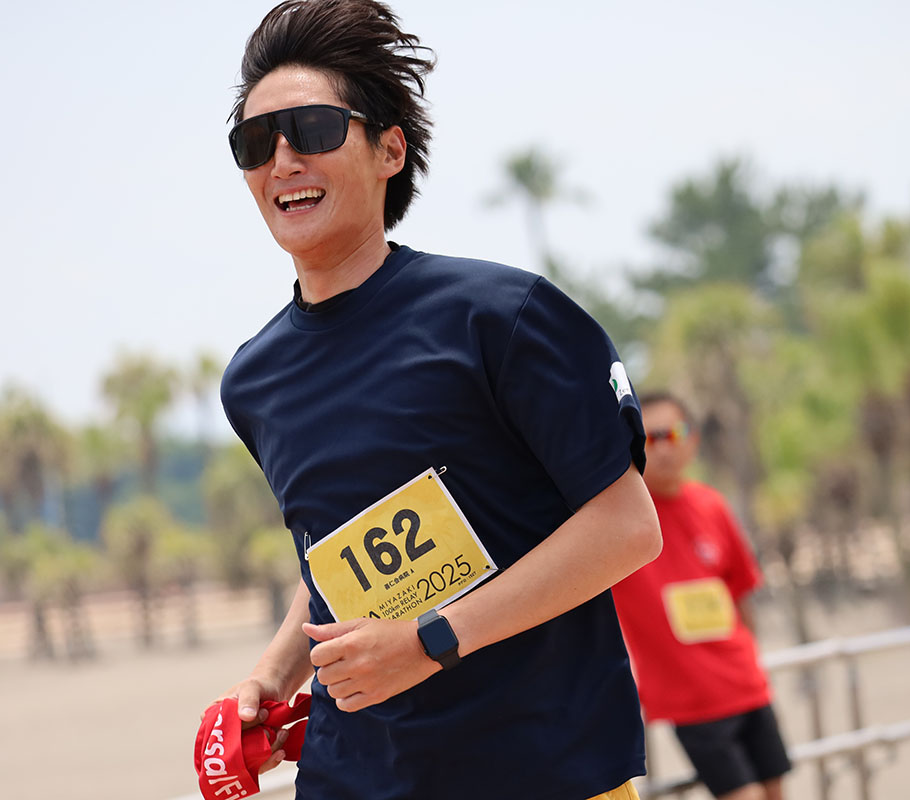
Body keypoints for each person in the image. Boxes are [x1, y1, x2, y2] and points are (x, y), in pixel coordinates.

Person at [208, 2, 662, 798]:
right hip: (356, 776)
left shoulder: (502, 318)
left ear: (390, 150)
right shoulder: (253, 380)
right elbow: (331, 559)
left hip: (543, 772)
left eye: (312, 129)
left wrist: (428, 642)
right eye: (256, 141)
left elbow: (627, 529)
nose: (282, 159)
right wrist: (273, 676)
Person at [611, 392, 790, 800]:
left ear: (692, 439)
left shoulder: (712, 505)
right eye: (650, 436)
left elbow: (740, 592)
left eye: (673, 433)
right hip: (693, 705)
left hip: (748, 685)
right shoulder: (619, 519)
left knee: (777, 792)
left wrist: (749, 659)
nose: (663, 447)